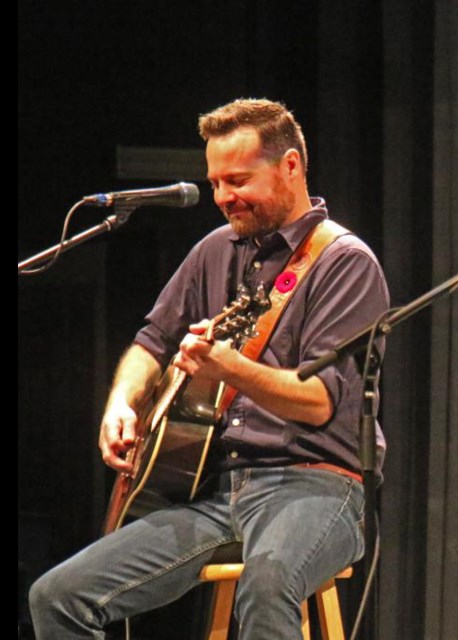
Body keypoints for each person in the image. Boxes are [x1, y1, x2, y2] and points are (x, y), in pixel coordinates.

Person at [29, 98, 390, 639]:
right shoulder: (214, 251)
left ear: (290, 166)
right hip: (212, 493)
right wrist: (122, 403)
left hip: (315, 488)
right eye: (216, 182)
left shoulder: (343, 262)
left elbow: (318, 402)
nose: (223, 197)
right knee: (57, 596)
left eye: (238, 180)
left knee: (267, 585)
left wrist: (227, 367)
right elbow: (151, 343)